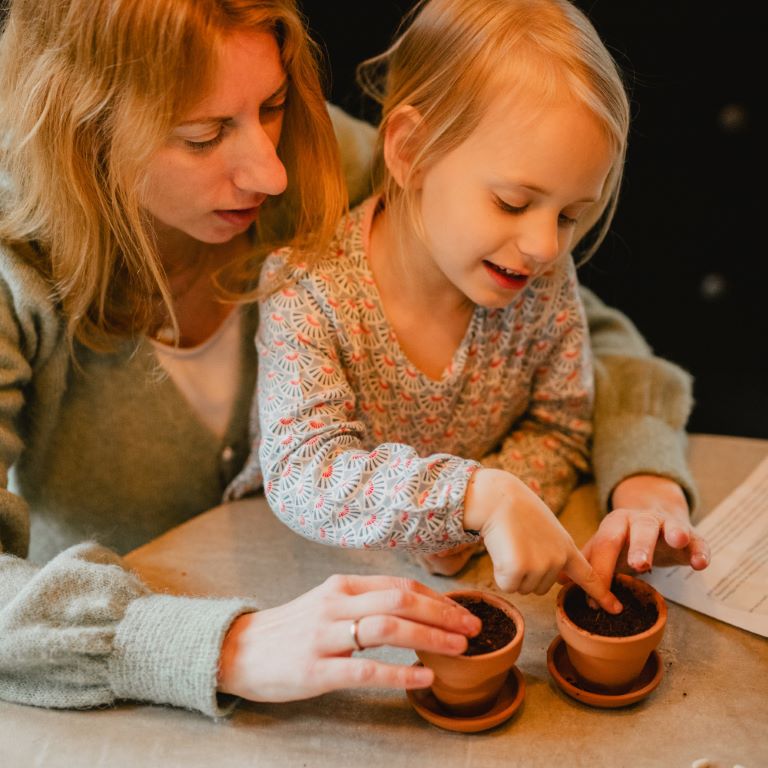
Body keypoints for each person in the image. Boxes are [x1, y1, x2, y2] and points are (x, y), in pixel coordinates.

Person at [0, 0, 705, 719]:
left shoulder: (328, 160)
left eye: (273, 104)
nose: (273, 174)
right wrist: (226, 645)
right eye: (205, 135)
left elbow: (575, 330)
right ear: (81, 128)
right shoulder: (14, 267)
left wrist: (645, 472)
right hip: (111, 688)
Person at [228, 0, 710, 605]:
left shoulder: (541, 283)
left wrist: (484, 515)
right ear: (411, 151)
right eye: (511, 202)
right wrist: (473, 498)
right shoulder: (307, 291)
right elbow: (304, 476)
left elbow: (559, 428)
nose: (542, 246)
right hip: (301, 591)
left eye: (569, 216)